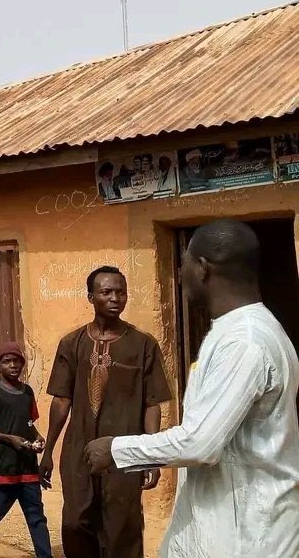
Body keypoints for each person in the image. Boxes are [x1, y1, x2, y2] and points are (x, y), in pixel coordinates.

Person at [85, 220, 299, 557]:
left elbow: (200, 443)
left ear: (202, 268)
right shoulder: (232, 332)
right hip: (219, 522)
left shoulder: (245, 341)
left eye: (182, 264)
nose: (179, 274)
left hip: (248, 536)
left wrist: (116, 449)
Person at [40, 265, 171, 558]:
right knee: (75, 524)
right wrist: (48, 450)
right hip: (78, 451)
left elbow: (152, 403)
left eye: (121, 292)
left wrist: (151, 456)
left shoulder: (143, 345)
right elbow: (61, 401)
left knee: (121, 529)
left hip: (125, 453)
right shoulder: (72, 344)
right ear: (91, 297)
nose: (116, 298)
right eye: (107, 292)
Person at [0, 342, 52, 558]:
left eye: (17, 361)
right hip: (4, 466)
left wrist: (37, 436)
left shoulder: (27, 392)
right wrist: (9, 439)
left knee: (36, 516)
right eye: (7, 362)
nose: (13, 365)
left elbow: (29, 423)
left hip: (27, 466)